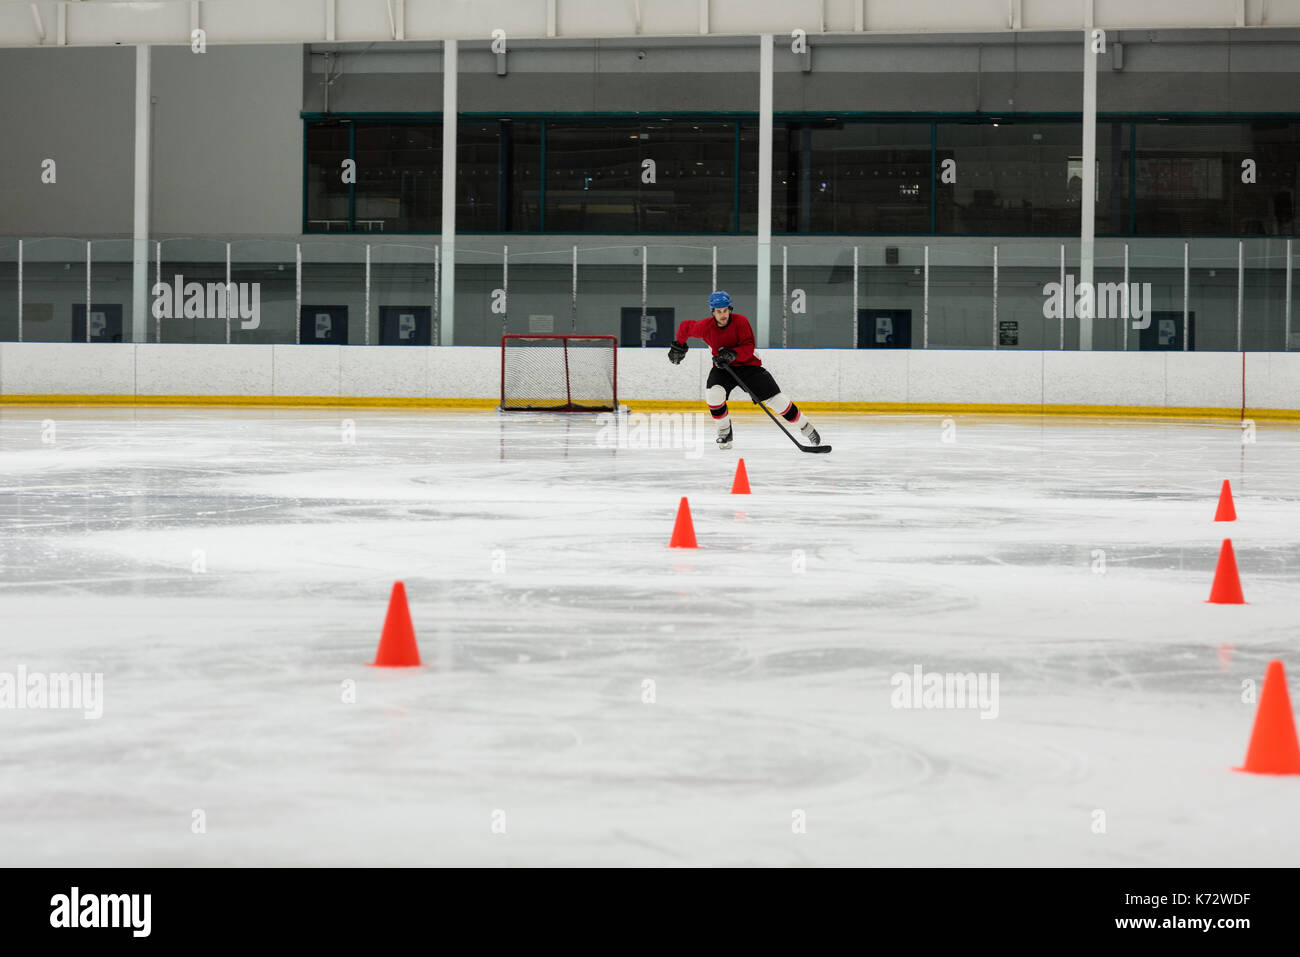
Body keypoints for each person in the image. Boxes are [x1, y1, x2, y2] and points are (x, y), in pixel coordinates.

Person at [667, 291, 821, 450]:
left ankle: (807, 428)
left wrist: (733, 354)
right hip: (723, 369)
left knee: (777, 400)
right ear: (712, 312)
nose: (723, 315)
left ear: (730, 309)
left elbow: (748, 347)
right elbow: (685, 327)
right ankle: (725, 433)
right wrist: (679, 346)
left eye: (725, 310)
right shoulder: (706, 327)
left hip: (749, 366)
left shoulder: (741, 321)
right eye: (719, 311)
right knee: (713, 395)